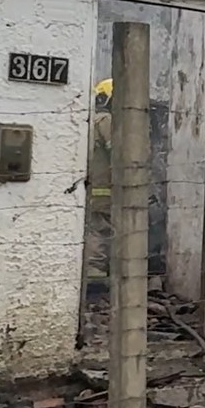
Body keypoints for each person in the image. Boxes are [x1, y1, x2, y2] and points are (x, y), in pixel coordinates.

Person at [82, 79, 115, 305]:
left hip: (93, 188)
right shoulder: (106, 120)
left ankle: (95, 274)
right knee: (102, 230)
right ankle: (96, 279)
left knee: (95, 228)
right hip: (105, 190)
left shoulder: (89, 120)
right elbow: (121, 151)